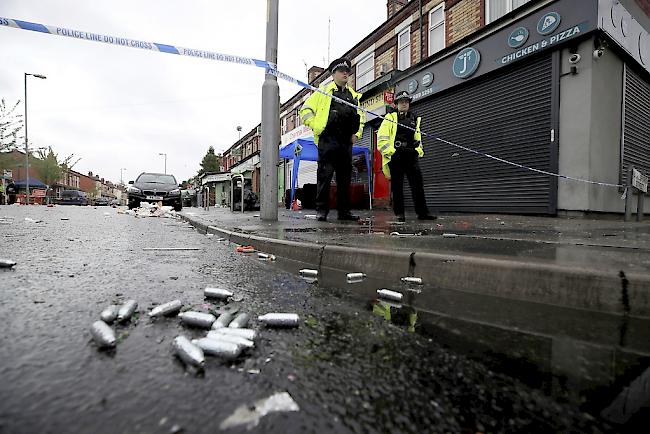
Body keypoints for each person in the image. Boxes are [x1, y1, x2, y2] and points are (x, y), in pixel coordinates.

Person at [299, 58, 365, 221]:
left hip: (345, 142)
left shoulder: (353, 96)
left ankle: (344, 212)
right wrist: (316, 126)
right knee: (324, 176)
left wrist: (357, 133)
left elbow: (361, 116)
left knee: (345, 179)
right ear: (333, 74)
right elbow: (305, 110)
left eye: (347, 71)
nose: (345, 74)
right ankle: (321, 211)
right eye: (341, 71)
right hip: (328, 140)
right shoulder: (323, 91)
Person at [377, 91, 436, 222]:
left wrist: (418, 149)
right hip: (396, 155)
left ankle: (423, 213)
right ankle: (399, 214)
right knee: (397, 187)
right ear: (396, 104)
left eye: (406, 101)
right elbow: (381, 139)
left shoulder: (415, 118)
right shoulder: (389, 118)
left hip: (411, 155)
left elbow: (418, 136)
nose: (404, 104)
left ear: (409, 103)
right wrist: (391, 152)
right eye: (401, 101)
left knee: (417, 185)